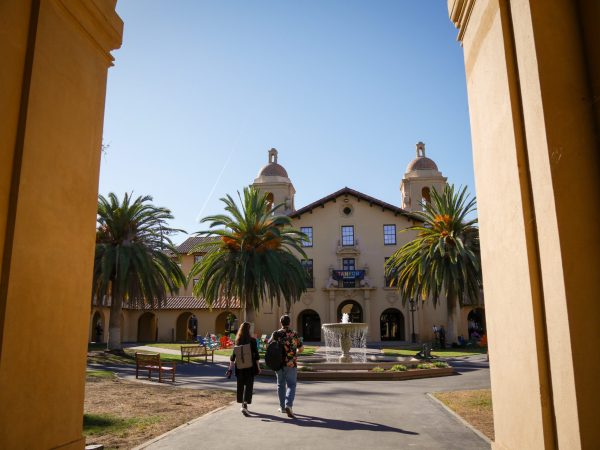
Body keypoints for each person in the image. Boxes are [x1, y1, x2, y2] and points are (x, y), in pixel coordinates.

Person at [269, 314, 304, 418]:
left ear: (281, 322)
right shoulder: (295, 334)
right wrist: (295, 351)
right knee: (292, 385)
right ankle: (288, 404)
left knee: (280, 384)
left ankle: (282, 407)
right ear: (289, 323)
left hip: (278, 363)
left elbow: (269, 345)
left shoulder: (276, 333)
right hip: (291, 363)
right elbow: (301, 349)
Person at [228, 322, 260, 416]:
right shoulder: (253, 341)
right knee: (249, 386)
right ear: (249, 330)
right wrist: (258, 367)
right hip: (250, 367)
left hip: (240, 367)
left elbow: (233, 357)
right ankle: (245, 404)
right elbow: (257, 356)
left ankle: (242, 404)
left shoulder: (237, 340)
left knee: (241, 385)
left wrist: (230, 368)